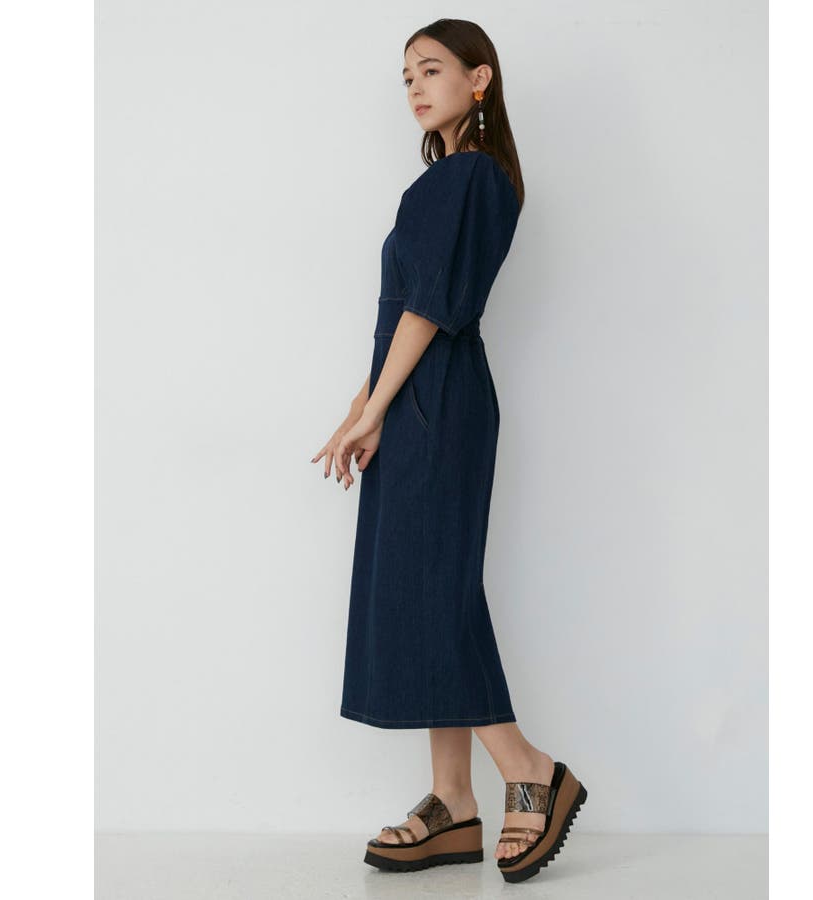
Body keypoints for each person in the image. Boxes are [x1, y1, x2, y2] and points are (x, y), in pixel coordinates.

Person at [310, 19, 587, 883]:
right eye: (406, 77)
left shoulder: (470, 175)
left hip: (437, 401)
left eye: (431, 70)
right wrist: (360, 410)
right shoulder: (448, 180)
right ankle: (453, 802)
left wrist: (377, 409)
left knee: (436, 593)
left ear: (480, 79)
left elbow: (430, 308)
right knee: (425, 587)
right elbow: (401, 314)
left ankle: (531, 771)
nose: (415, 88)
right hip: (415, 399)